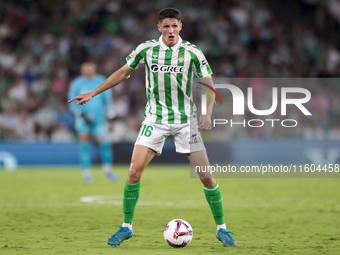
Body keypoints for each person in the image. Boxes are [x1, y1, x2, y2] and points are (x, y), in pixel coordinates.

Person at [68, 8, 236, 247]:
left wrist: (207, 112)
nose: (170, 30)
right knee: (134, 173)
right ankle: (126, 227)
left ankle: (222, 229)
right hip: (154, 119)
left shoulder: (192, 52)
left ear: (181, 27)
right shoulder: (146, 49)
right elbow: (124, 72)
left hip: (185, 121)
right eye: (166, 26)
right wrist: (94, 93)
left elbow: (208, 82)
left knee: (207, 177)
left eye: (174, 26)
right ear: (159, 27)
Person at [68, 62, 118, 183]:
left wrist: (111, 113)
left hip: (99, 120)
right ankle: (87, 173)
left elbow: (107, 100)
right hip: (83, 120)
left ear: (94, 69)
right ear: (82, 70)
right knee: (84, 146)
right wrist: (80, 114)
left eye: (90, 69)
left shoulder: (101, 81)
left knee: (105, 144)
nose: (88, 71)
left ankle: (107, 170)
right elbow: (71, 102)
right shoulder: (77, 83)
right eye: (85, 69)